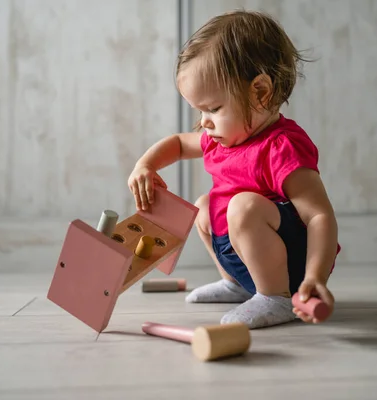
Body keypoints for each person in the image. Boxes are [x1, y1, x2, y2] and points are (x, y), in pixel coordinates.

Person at [127, 10, 341, 329]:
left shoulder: (281, 146)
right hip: (247, 258)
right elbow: (177, 142)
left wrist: (314, 276)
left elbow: (319, 216)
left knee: (242, 205)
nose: (204, 121)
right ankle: (238, 285)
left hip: (291, 269)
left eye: (213, 108)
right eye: (200, 111)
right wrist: (145, 165)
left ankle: (275, 296)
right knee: (203, 206)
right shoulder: (222, 137)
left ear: (260, 93)